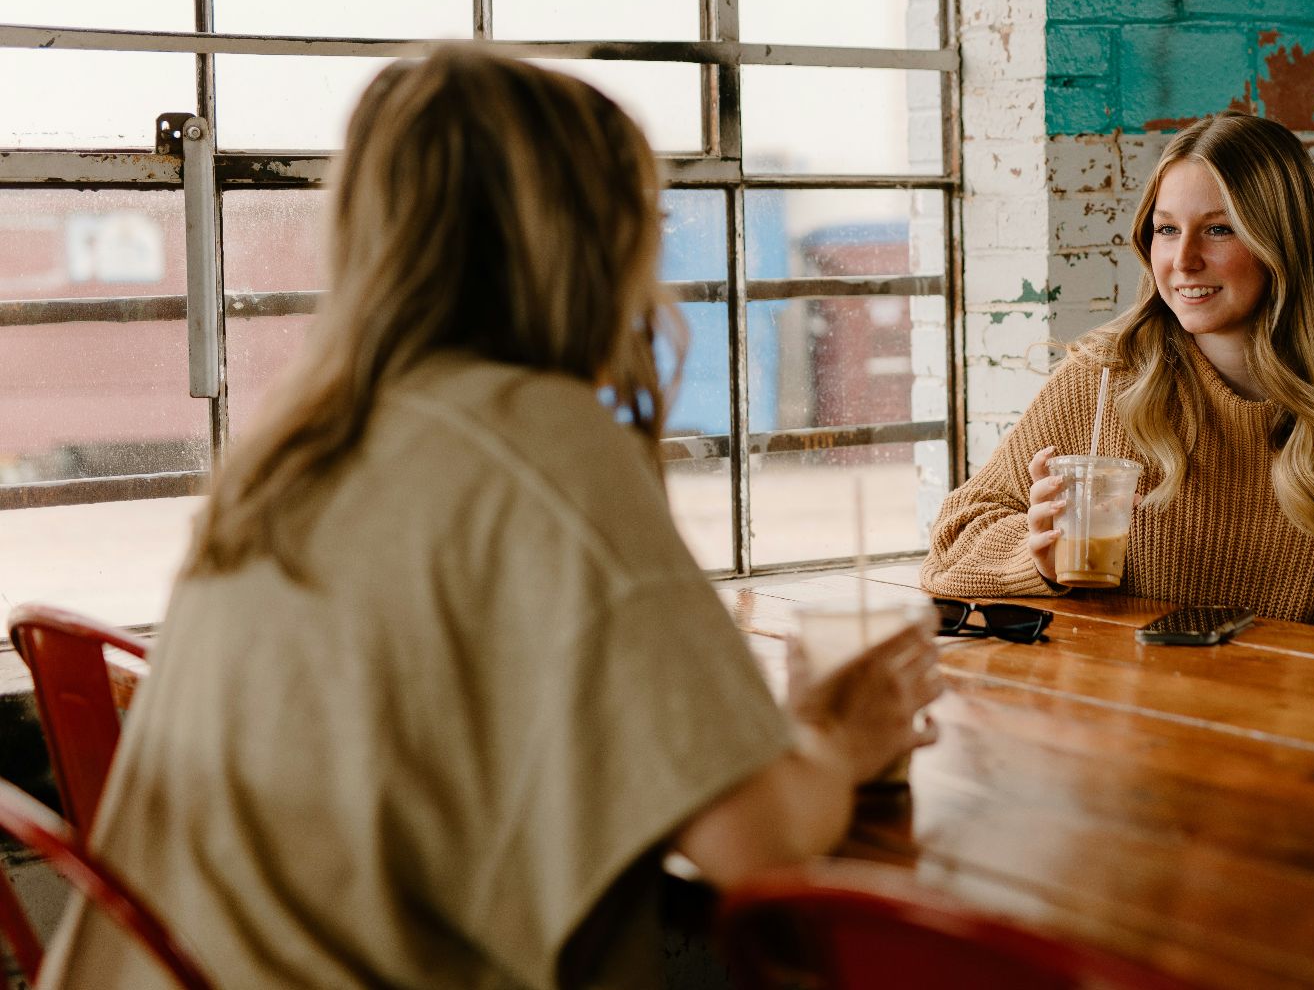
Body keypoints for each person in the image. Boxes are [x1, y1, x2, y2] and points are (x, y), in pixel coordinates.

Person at [41, 50, 942, 989]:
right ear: (591, 235)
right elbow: (756, 844)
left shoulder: (301, 439)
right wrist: (841, 739)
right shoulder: (540, 439)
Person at [921, 112, 1314, 648]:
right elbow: (948, 551)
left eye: (1218, 229)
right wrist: (1035, 555)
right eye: (1166, 229)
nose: (1183, 260)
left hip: (1306, 728)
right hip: (1128, 721)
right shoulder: (1103, 380)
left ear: (1282, 244)